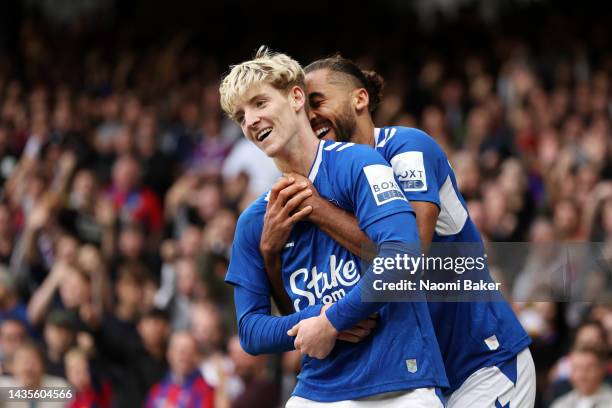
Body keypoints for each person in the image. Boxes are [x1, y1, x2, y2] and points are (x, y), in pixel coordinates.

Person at [259, 55, 535, 407]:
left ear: (359, 99)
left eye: (318, 102)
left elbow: (411, 256)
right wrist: (270, 253)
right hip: (417, 378)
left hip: (483, 362)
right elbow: (299, 307)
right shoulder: (328, 186)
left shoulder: (406, 148)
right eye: (302, 110)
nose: (310, 117)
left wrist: (315, 209)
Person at [220, 48, 447, 406]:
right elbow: (250, 331)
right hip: (319, 389)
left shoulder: (359, 163)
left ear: (296, 97)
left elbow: (404, 256)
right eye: (240, 115)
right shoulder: (254, 220)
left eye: (259, 103)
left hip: (398, 380)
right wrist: (322, 319)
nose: (250, 120)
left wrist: (332, 322)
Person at [145, 331, 214, 408]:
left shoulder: (205, 390)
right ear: (169, 354)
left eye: (188, 350)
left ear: (196, 356)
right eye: (177, 349)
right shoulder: (156, 390)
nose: (182, 354)